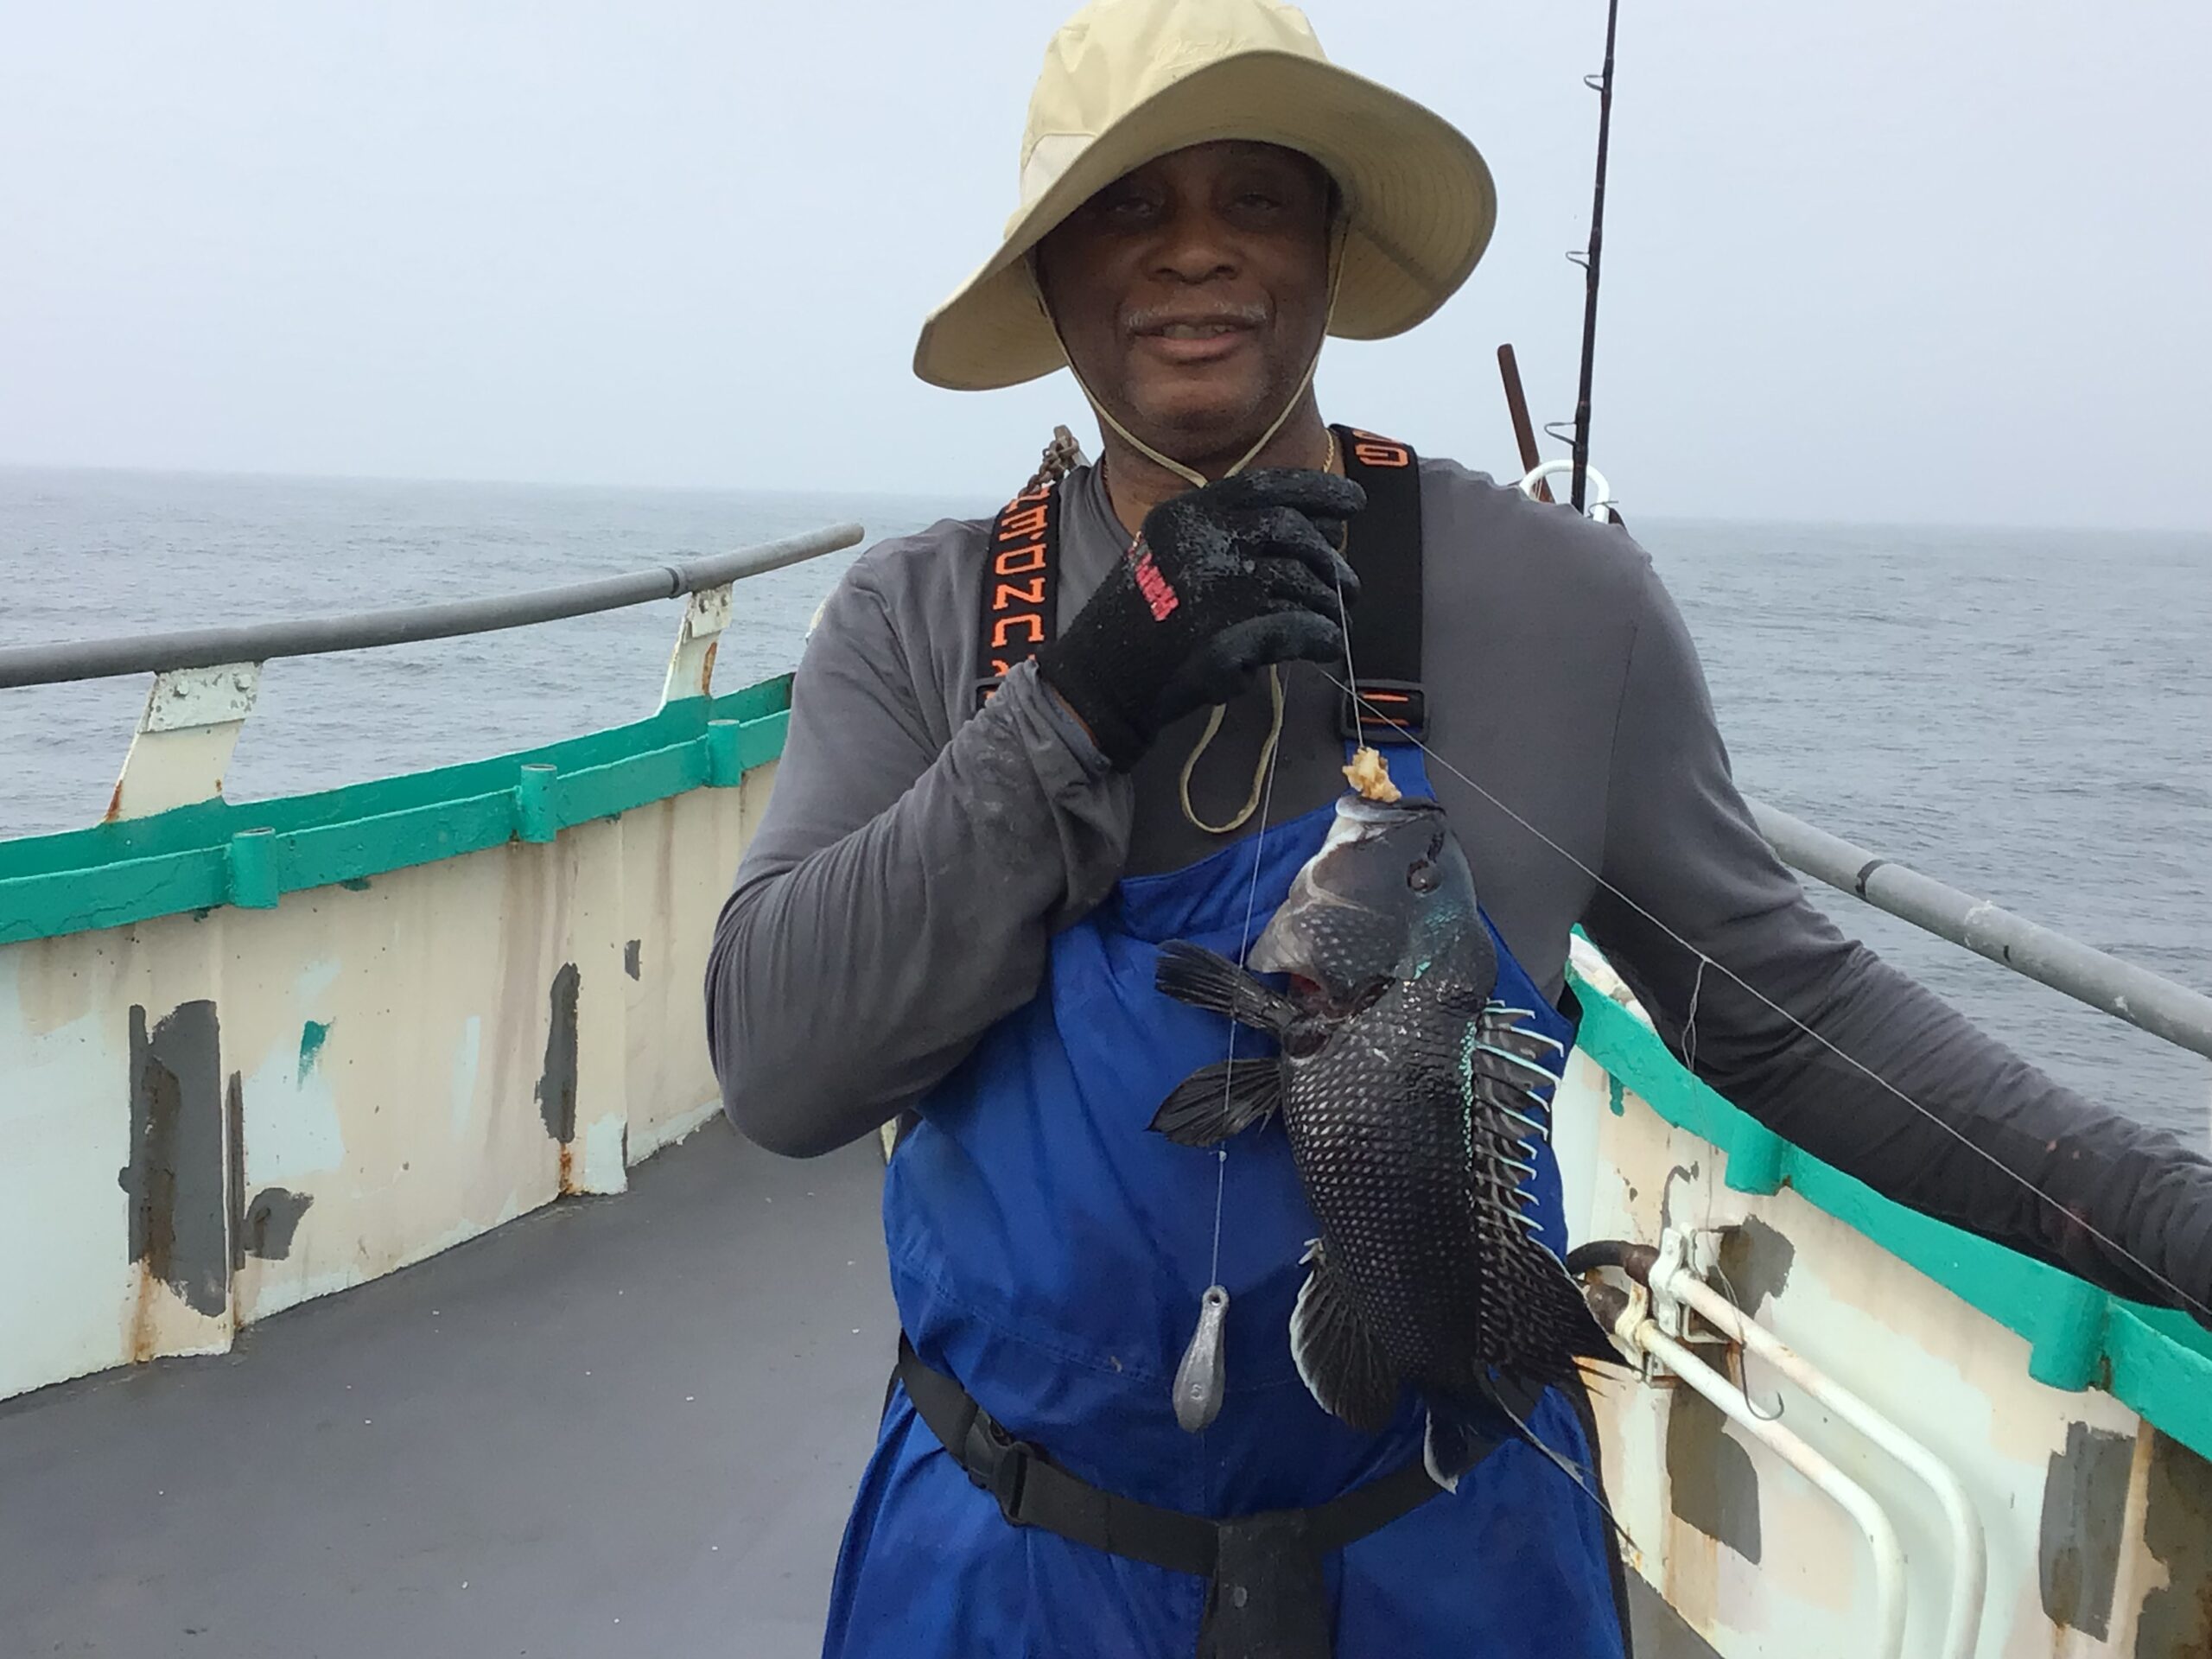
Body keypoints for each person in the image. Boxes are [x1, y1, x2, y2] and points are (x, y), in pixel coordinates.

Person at [705, 0, 2212, 1652]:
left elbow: (1792, 1017)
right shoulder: (924, 617)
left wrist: (2157, 1213)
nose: (1194, 255)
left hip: (1448, 1551)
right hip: (1010, 1560)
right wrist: (1068, 713)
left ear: (1334, 245)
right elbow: (783, 1068)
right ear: (1051, 271)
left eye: (1256, 199)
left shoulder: (1557, 598)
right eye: (1131, 204)